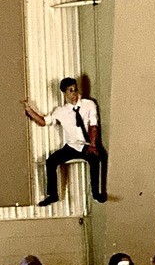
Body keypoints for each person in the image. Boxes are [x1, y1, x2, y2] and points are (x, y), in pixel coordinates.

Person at [22, 77, 106, 206]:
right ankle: (53, 195)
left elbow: (94, 125)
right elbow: (44, 122)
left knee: (95, 158)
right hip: (71, 146)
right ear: (64, 92)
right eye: (70, 90)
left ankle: (96, 193)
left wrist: (93, 145)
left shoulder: (89, 104)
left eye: (75, 89)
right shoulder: (60, 111)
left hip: (87, 145)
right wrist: (29, 110)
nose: (74, 93)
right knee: (51, 161)